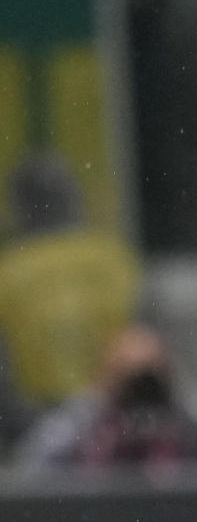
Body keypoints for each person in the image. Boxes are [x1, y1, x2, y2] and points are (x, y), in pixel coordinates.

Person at [0, 151, 141, 448]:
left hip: (40, 427)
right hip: (118, 427)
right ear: (75, 199)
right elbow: (148, 351)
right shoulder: (116, 261)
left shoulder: (8, 272)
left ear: (19, 207)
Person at [15, 323, 197, 469]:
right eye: (131, 379)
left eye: (149, 379)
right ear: (108, 376)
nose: (141, 392)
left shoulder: (195, 421)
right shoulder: (78, 424)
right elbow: (32, 476)